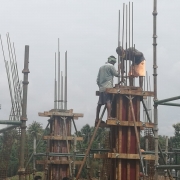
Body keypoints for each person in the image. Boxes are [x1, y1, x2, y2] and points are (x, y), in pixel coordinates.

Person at [96, 56, 120, 122]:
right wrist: (120, 68)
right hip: (108, 87)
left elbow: (97, 80)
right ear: (112, 62)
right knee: (108, 102)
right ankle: (109, 116)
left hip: (101, 88)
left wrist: (100, 86)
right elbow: (117, 74)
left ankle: (97, 118)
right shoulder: (111, 66)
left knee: (99, 104)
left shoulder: (101, 67)